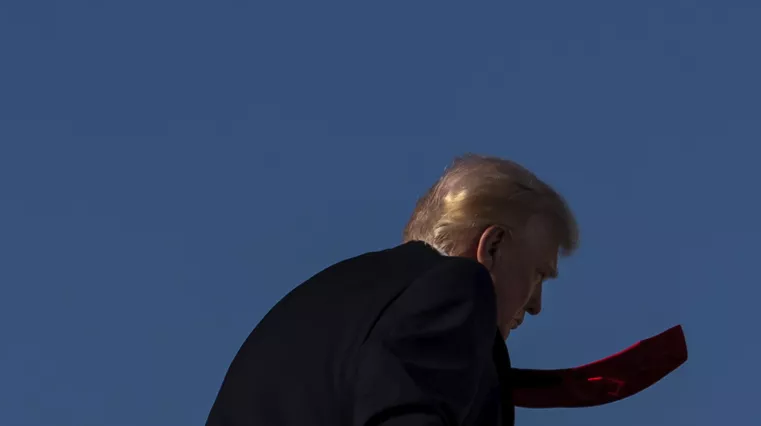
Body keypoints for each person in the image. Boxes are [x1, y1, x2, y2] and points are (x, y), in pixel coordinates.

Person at [205, 154, 579, 426]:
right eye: (538, 275)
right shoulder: (458, 288)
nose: (536, 305)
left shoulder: (323, 301)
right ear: (492, 247)